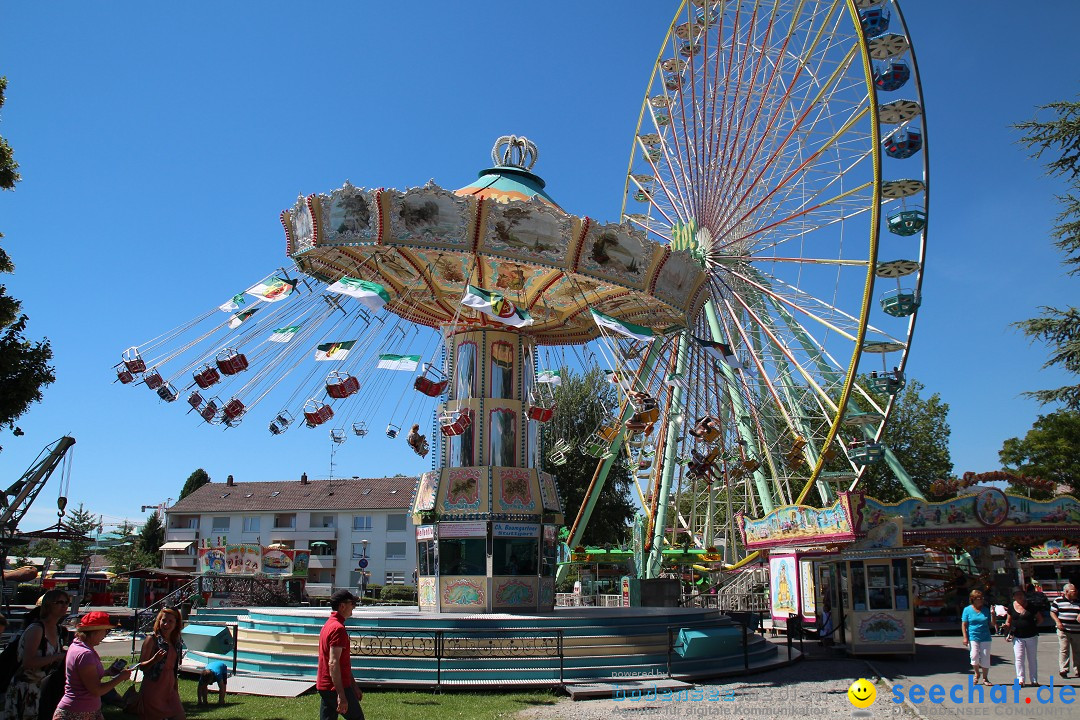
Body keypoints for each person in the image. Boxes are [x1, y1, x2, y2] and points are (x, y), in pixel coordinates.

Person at [52, 611, 164, 720]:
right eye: (105, 631)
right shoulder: (85, 654)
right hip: (78, 712)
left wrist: (107, 672)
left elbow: (83, 677)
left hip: (85, 709)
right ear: (95, 631)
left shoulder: (77, 645)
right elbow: (96, 690)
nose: (106, 635)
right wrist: (121, 678)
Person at [3, 589, 70, 720]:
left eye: (67, 602)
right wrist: (57, 657)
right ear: (48, 605)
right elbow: (28, 662)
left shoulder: (58, 630)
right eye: (60, 602)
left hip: (43, 687)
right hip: (25, 688)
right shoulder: (37, 629)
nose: (65, 606)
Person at [317, 589, 364, 720]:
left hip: (325, 685)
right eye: (351, 603)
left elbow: (342, 662)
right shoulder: (338, 629)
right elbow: (333, 663)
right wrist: (341, 695)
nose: (353, 606)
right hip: (336, 686)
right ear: (342, 606)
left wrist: (354, 686)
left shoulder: (328, 625)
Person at [137, 607, 185, 720]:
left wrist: (175, 689)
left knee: (180, 715)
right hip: (154, 687)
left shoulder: (175, 641)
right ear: (159, 621)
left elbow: (174, 668)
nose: (166, 624)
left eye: (170, 621)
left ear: (176, 624)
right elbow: (141, 666)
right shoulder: (152, 639)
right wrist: (154, 660)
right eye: (163, 620)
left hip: (169, 688)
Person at [1003, 587, 1043, 686]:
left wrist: (1033, 625)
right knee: (1019, 658)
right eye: (1017, 594)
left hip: (1031, 635)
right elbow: (1008, 621)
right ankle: (1020, 679)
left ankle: (1034, 680)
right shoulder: (1011, 607)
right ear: (1013, 597)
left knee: (1032, 658)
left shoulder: (1031, 606)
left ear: (1024, 595)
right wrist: (1006, 628)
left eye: (1021, 594)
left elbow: (1040, 619)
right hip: (1017, 636)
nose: (1019, 596)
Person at [961, 589, 997, 686]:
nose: (981, 600)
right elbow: (964, 624)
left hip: (985, 636)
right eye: (978, 598)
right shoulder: (967, 610)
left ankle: (985, 678)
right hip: (973, 636)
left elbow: (993, 624)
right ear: (973, 599)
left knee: (985, 657)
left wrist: (993, 614)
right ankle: (977, 673)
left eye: (982, 598)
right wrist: (965, 637)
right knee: (974, 655)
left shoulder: (986, 609)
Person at [1050, 583, 1080, 679]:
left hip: (1077, 630)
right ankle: (1063, 669)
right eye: (1073, 591)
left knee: (1077, 650)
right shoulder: (1058, 601)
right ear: (1066, 592)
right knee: (1064, 649)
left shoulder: (1078, 601)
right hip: (1063, 629)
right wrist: (1058, 622)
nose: (1076, 592)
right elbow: (1053, 612)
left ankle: (1078, 670)